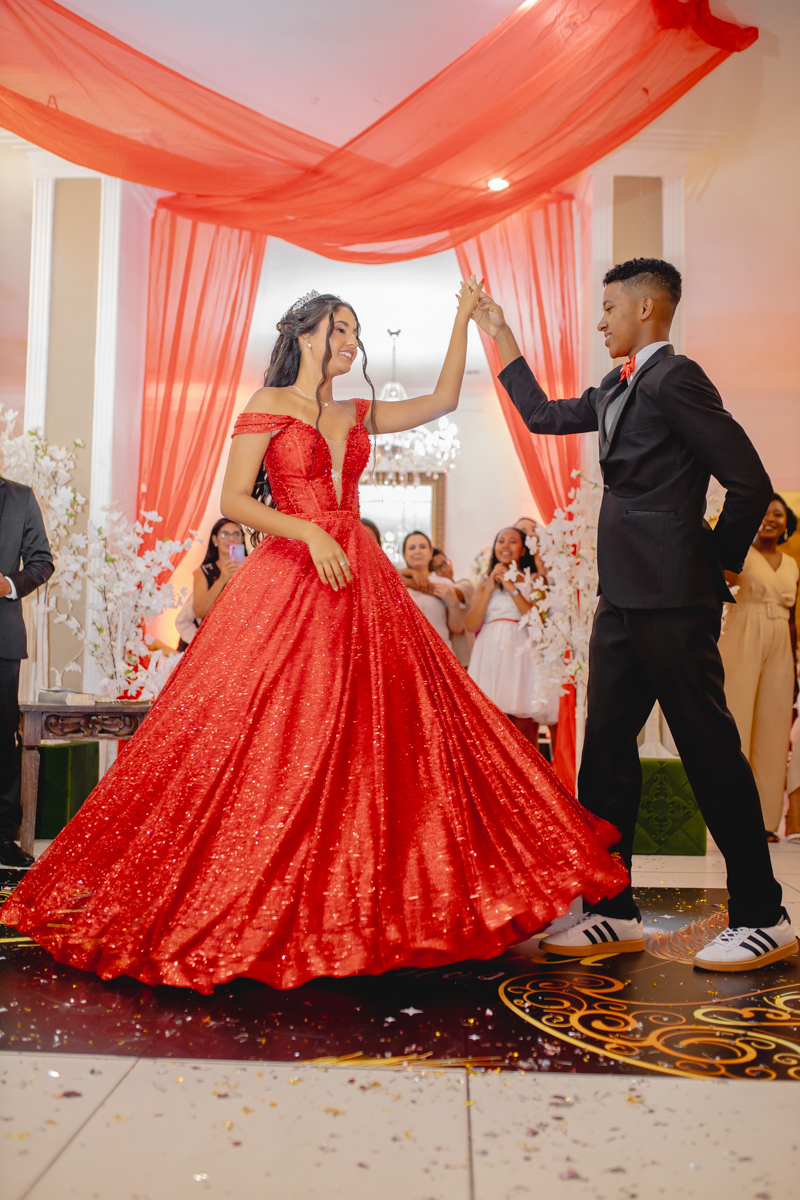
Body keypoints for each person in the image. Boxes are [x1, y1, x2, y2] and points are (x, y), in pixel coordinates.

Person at [3, 282, 628, 993]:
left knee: (376, 730)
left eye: (356, 331)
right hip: (292, 571)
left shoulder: (354, 410)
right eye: (340, 329)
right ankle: (262, 890)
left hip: (360, 576)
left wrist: (464, 321)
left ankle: (359, 902)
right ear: (305, 337)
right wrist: (308, 531)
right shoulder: (268, 405)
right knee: (277, 728)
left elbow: (445, 399)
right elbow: (234, 500)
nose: (351, 342)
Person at [472, 257, 796, 971]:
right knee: (606, 753)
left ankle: (763, 914)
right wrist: (500, 335)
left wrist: (715, 562)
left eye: (609, 308)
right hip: (620, 597)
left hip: (673, 597)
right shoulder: (617, 387)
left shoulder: (678, 378)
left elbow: (749, 482)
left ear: (646, 309)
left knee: (707, 747)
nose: (601, 321)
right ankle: (612, 908)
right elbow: (541, 415)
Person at [718, 494, 799, 840]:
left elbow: (792, 618)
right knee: (736, 724)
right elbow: (719, 589)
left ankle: (765, 821)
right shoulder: (738, 552)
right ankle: (730, 818)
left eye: (777, 514)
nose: (770, 519)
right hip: (740, 636)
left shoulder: (792, 564)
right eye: (764, 513)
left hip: (781, 644)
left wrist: (794, 662)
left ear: (787, 522)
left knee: (774, 731)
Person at [0, 477, 54, 867]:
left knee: (3, 740)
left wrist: (7, 584)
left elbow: (42, 563)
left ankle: (3, 837)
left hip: (2, 642)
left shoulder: (20, 498)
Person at [466, 527, 558, 748]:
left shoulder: (536, 579)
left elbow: (537, 620)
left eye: (512, 541)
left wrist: (510, 586)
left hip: (521, 651)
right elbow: (471, 624)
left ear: (523, 549)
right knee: (490, 723)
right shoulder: (485, 583)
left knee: (522, 723)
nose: (505, 545)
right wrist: (490, 586)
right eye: (501, 541)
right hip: (489, 652)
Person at [399, 530, 465, 648]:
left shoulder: (444, 583)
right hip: (406, 652)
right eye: (412, 548)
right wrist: (412, 573)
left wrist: (452, 601)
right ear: (404, 554)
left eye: (423, 547)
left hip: (439, 651)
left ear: (430, 552)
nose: (417, 551)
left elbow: (458, 628)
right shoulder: (395, 583)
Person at [430, 547, 475, 667]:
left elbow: (449, 593)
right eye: (437, 568)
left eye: (445, 563)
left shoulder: (465, 585)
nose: (444, 569)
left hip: (465, 657)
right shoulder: (428, 597)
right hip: (441, 659)